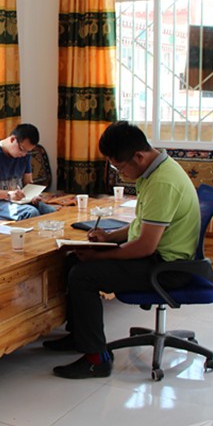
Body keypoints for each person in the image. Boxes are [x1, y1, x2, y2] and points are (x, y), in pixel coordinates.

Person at [44, 121, 200, 379]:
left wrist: (100, 255)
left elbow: (145, 246)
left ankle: (96, 360)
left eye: (120, 167)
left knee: (83, 275)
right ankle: (80, 336)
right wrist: (109, 237)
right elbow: (142, 225)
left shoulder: (163, 182)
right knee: (73, 262)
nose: (120, 174)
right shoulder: (153, 171)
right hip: (157, 256)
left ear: (138, 156)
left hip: (167, 268)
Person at [0, 124, 57, 220]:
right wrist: (8, 195)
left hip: (19, 200)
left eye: (27, 151)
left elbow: (28, 182)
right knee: (31, 212)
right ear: (12, 139)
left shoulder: (24, 156)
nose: (24, 154)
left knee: (51, 212)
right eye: (22, 149)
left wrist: (33, 195)